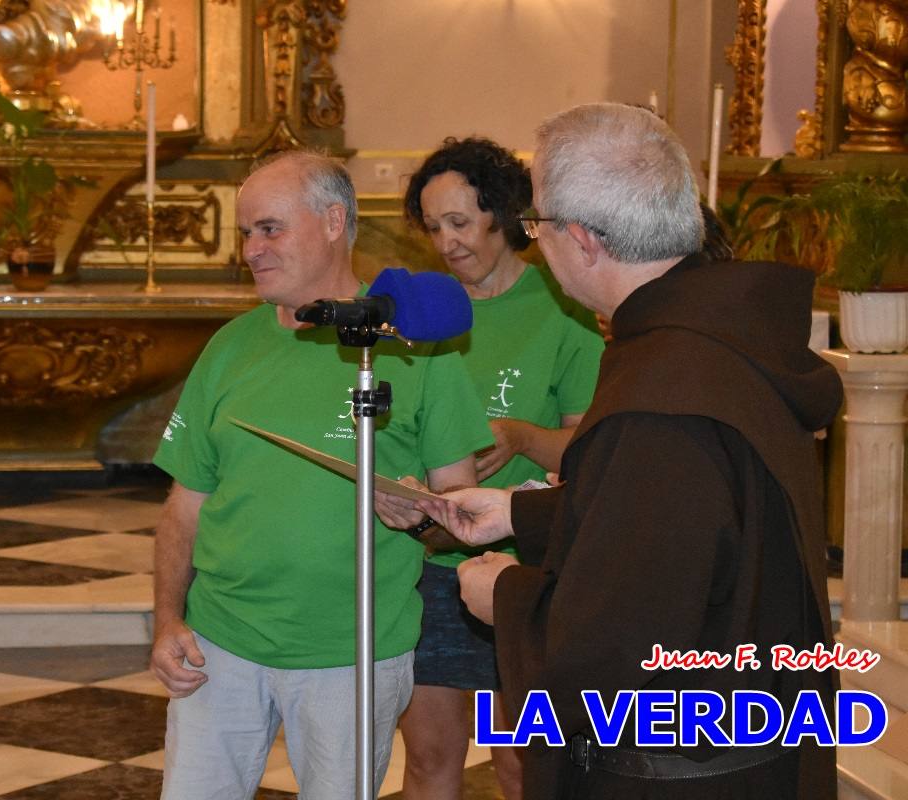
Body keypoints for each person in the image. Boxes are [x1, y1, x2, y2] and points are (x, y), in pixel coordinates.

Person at [417, 103, 841, 798]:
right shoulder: (714, 343)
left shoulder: (659, 394)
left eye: (538, 225)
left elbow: (613, 648)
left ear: (581, 239)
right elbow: (685, 528)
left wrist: (505, 593)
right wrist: (518, 517)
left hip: (679, 769)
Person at [150, 149, 493, 800]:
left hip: (353, 652)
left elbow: (463, 502)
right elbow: (183, 504)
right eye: (246, 233)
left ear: (334, 222)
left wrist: (422, 510)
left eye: (270, 229)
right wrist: (168, 621)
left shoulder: (414, 348)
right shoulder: (229, 347)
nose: (252, 249)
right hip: (221, 643)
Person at [395, 137, 603, 800]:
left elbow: (591, 456)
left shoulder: (563, 306)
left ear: (504, 215)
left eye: (460, 222)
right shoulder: (422, 314)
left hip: (525, 568)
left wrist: (517, 437)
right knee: (429, 757)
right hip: (429, 567)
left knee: (522, 766)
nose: (447, 242)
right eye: (433, 228)